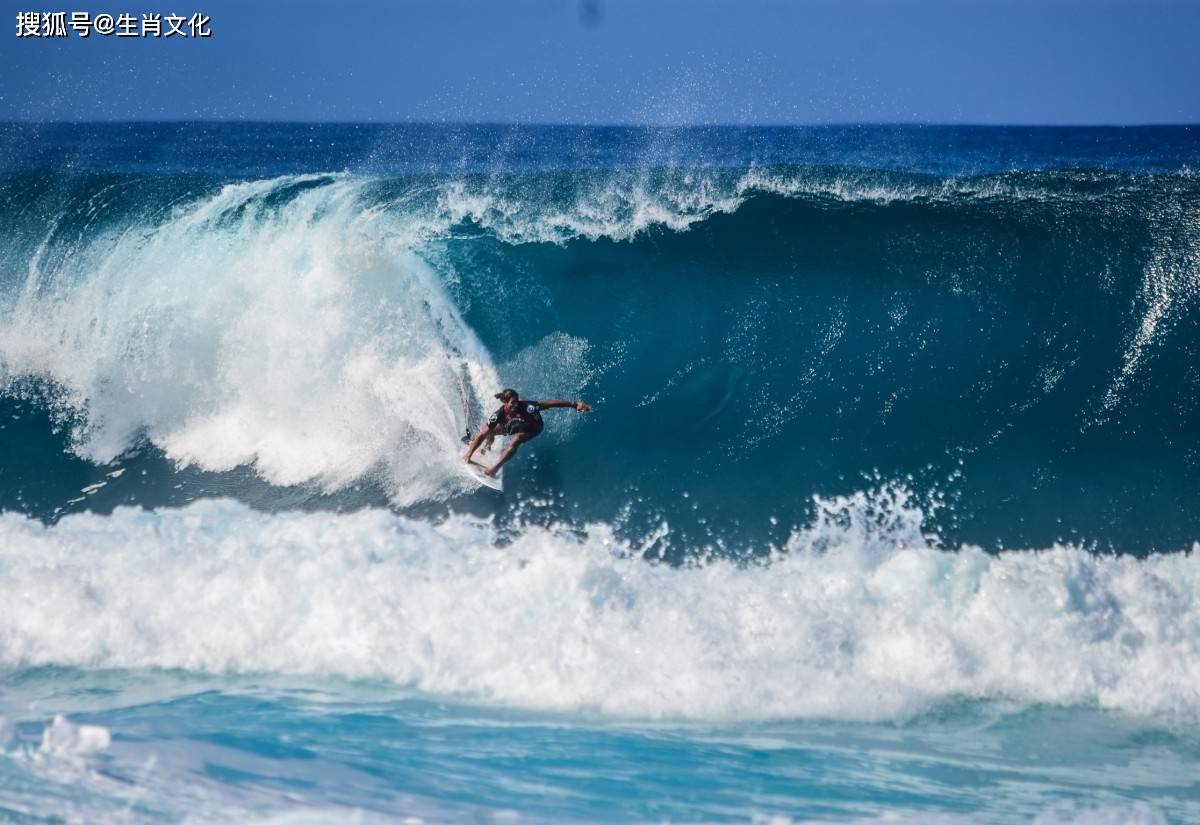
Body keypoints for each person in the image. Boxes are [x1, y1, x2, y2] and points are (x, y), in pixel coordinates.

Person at [463, 388, 591, 476]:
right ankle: (485, 448)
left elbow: (549, 404)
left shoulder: (527, 407)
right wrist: (469, 454)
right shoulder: (499, 414)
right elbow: (483, 433)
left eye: (517, 401)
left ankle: (494, 469)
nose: (516, 404)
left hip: (533, 427)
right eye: (512, 402)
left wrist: (574, 404)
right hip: (513, 424)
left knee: (516, 439)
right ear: (504, 402)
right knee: (490, 432)